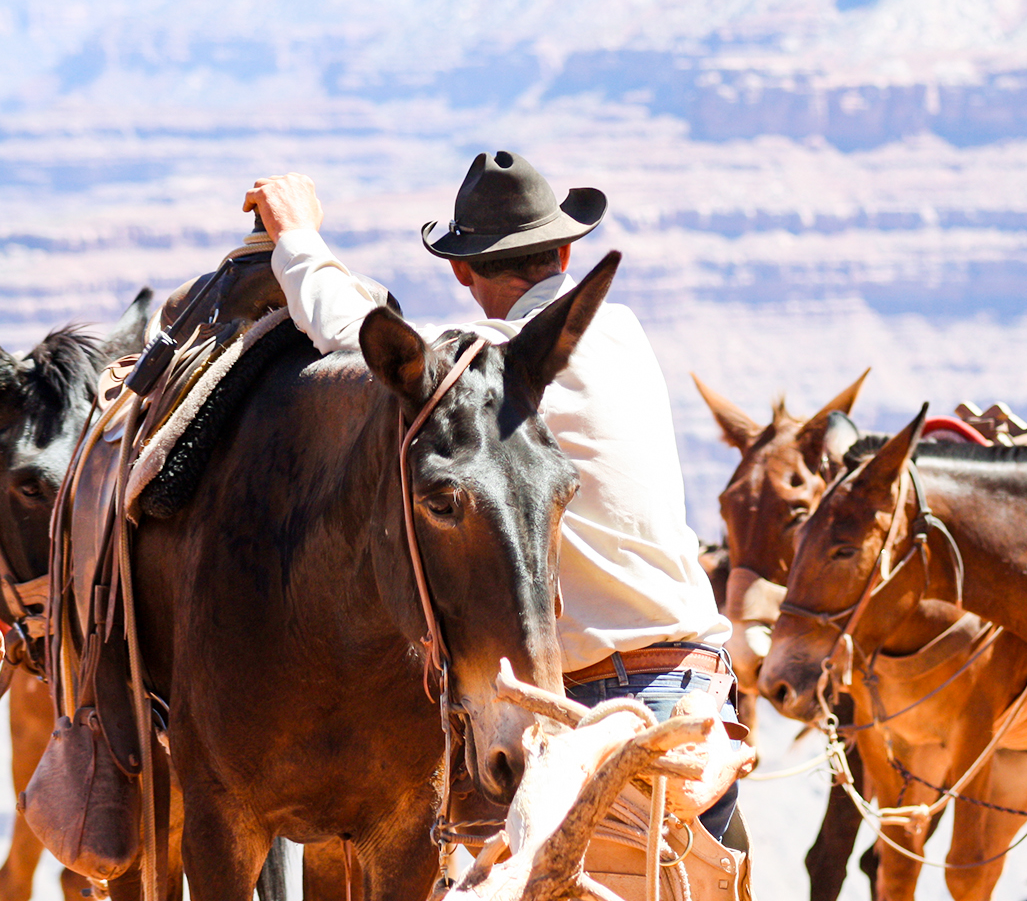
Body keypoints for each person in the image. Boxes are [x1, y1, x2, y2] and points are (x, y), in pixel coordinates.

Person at [244, 152, 740, 838]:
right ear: (566, 249)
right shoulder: (624, 333)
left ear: (460, 268)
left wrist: (298, 237)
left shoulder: (490, 367)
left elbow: (353, 336)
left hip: (589, 711)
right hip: (698, 695)